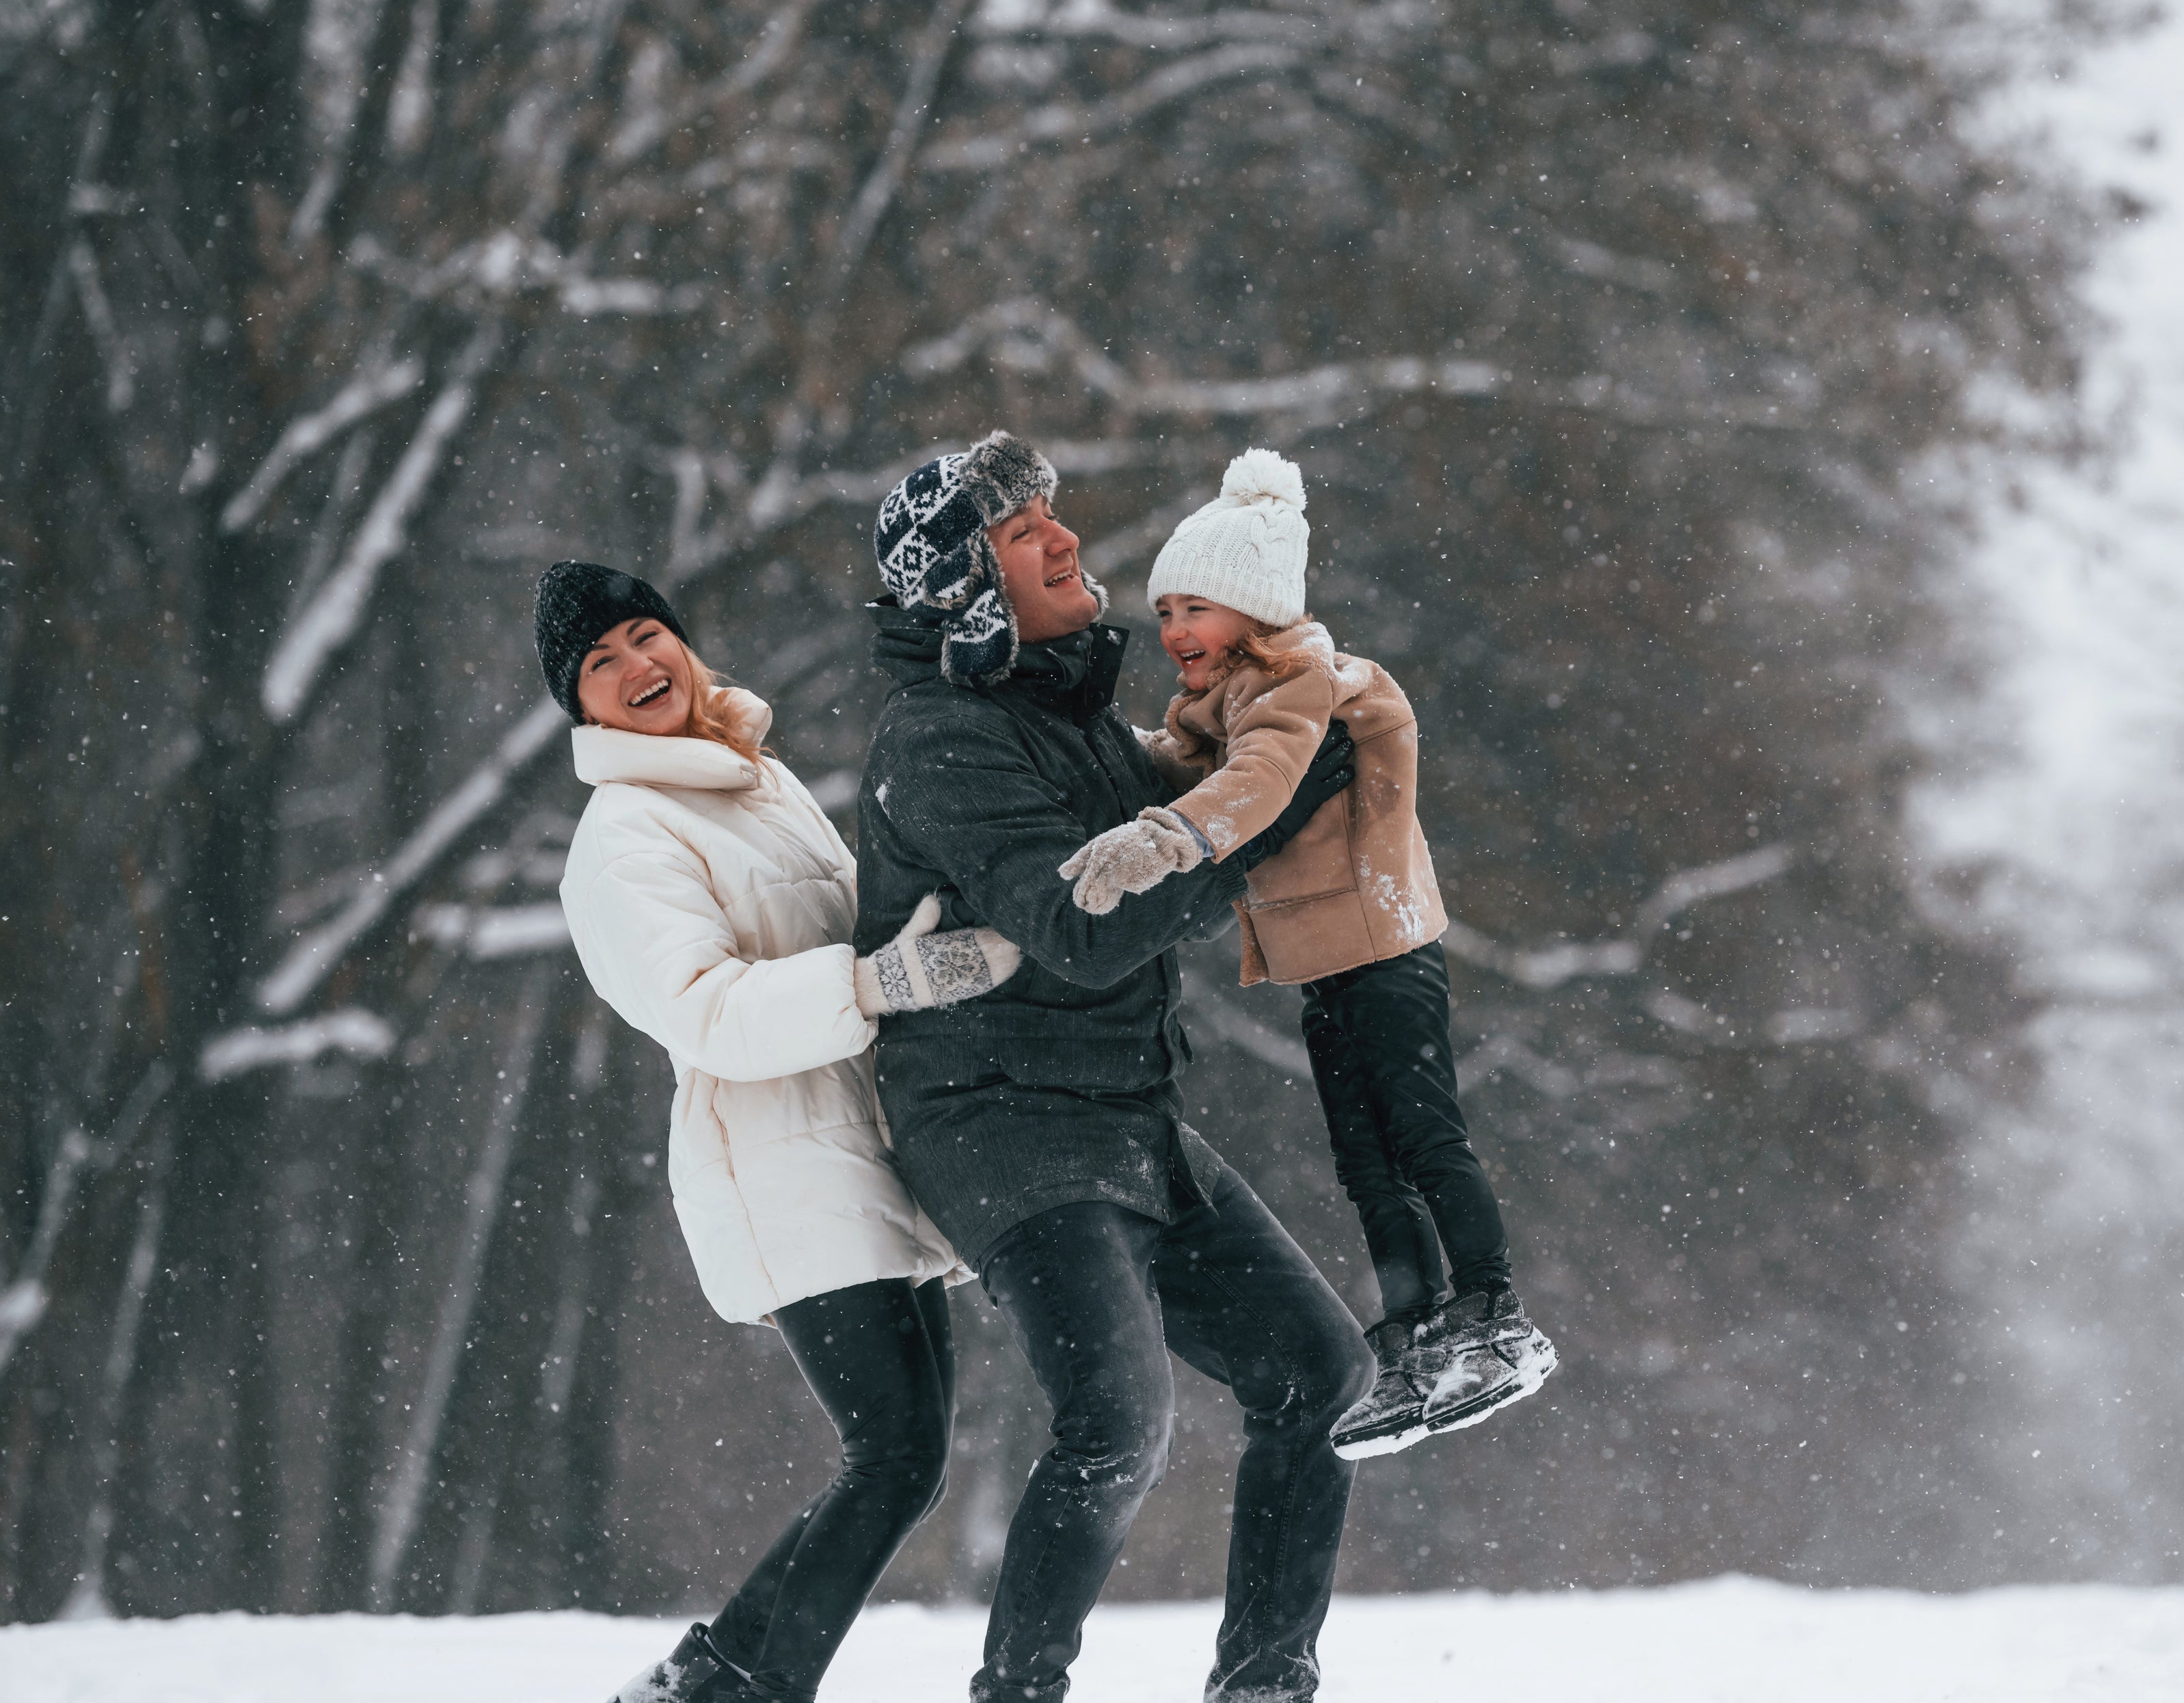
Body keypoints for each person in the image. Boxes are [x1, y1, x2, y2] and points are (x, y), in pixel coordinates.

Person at [851, 432, 1372, 1703]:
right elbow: (1085, 931)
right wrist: (1270, 827)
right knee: (1117, 1426)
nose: (1068, 539)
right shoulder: (944, 739)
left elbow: (1204, 809)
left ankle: (1263, 1682)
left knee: (1322, 1378)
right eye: (1028, 533)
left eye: (1052, 516)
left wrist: (1296, 723)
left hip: (1121, 1114)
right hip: (1000, 1125)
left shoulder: (1074, 721)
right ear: (974, 591)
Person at [537, 561, 1021, 1703]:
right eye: (598, 664)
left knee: (909, 1464)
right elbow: (706, 1012)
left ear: (684, 645)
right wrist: (883, 982)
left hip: (860, 1146)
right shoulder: (622, 838)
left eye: (644, 636)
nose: (634, 668)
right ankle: (729, 1686)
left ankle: (717, 1682)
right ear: (582, 709)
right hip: (777, 1160)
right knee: (896, 1456)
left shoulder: (757, 781)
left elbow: (848, 928)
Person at [1058, 450, 1557, 1460]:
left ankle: (1494, 1314)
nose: (1175, 633)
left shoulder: (1299, 684)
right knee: (1365, 1160)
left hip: (1385, 953)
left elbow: (1260, 780)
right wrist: (1098, 740)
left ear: (1253, 608)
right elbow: (1187, 759)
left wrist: (1162, 840)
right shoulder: (1229, 699)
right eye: (1165, 614)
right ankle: (1414, 1332)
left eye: (1196, 608)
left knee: (1422, 1136)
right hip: (1333, 964)